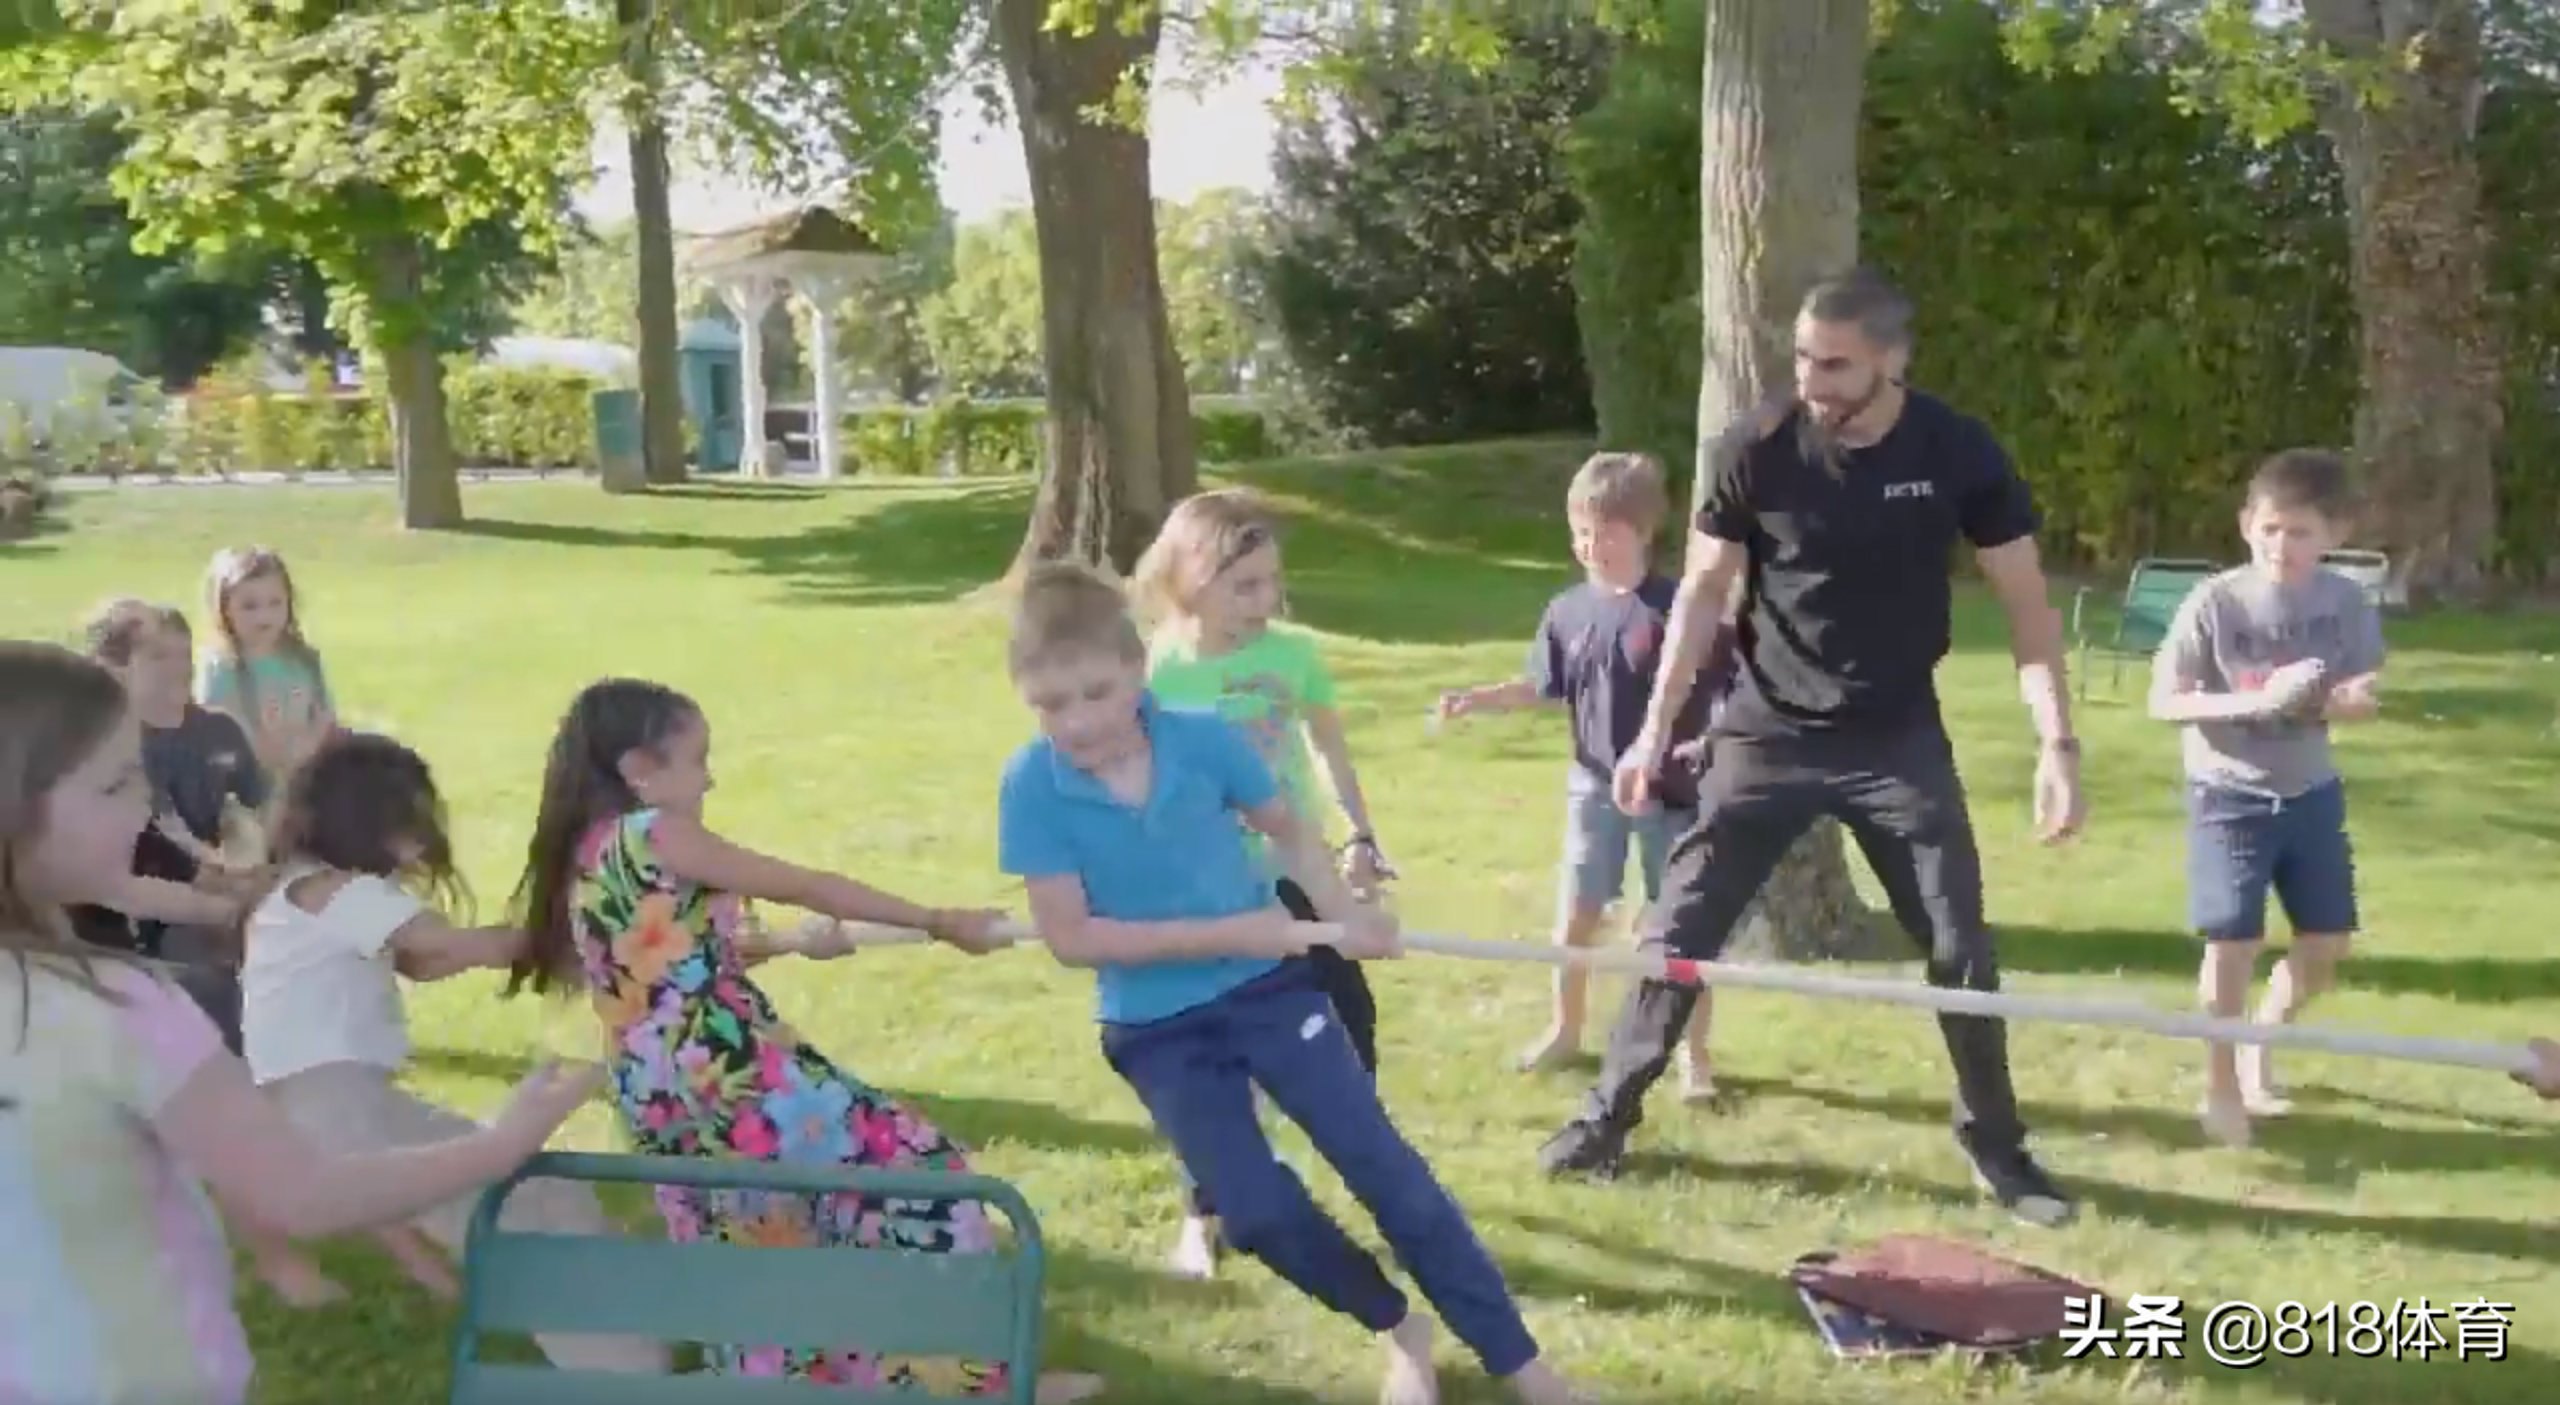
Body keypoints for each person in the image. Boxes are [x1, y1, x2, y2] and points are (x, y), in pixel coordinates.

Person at [1534, 269, 2085, 1230]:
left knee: (1960, 942)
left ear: (1893, 359)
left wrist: (2058, 743)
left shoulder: (1957, 451)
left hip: (1896, 735)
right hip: (1766, 729)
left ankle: (1997, 1144)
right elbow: (1704, 594)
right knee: (1679, 932)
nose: (1813, 379)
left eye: (1836, 364)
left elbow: (2028, 605)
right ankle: (1603, 1117)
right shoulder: (1756, 446)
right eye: (1802, 358)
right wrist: (1655, 734)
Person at [996, 561, 1589, 1405]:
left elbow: (1291, 829)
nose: (1080, 722)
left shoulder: (1203, 738)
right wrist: (1231, 929)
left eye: (1096, 692)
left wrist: (1343, 910)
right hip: (1156, 1028)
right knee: (1257, 1213)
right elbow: (1072, 937)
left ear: (1136, 669)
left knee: (1388, 1174)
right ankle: (1398, 1326)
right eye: (1052, 705)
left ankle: (1523, 1365)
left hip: (1271, 990)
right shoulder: (1031, 786)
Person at [0, 639, 603, 1405]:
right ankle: (624, 1363)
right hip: (147, 1377)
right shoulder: (122, 1007)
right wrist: (506, 1139)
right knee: (533, 1202)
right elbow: (299, 1194)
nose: (147, 806)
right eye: (118, 783)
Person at [504, 677, 1102, 1401]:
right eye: (697, 759)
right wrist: (939, 918)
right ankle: (969, 1386)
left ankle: (798, 1388)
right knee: (919, 1174)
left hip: (654, 1086)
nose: (709, 777)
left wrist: (776, 945)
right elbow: (804, 881)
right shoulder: (656, 830)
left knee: (750, 1244)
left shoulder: (587, 851)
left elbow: (656, 954)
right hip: (730, 1069)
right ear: (639, 769)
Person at [240, 730, 669, 1370]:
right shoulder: (344, 892)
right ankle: (624, 1372)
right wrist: (579, 933)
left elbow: (420, 963)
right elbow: (450, 947)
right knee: (525, 1211)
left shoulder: (300, 891)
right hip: (344, 1114)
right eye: (412, 817)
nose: (422, 836)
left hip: (322, 1117)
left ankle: (630, 1334)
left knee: (530, 1199)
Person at [1129, 488, 1392, 1278]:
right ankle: (1202, 1216)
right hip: (1211, 891)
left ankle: (1365, 1180)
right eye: (1243, 585)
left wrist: (1360, 834)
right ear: (1189, 581)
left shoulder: (1293, 656)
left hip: (1297, 869)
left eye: (1271, 581)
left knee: (1350, 1028)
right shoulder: (1161, 669)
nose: (1264, 600)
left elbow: (1329, 751)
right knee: (1218, 1053)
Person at [1436, 451, 1741, 1095]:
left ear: (1644, 531)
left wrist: (1706, 745)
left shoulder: (1681, 611)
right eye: (1579, 532)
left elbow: (1729, 697)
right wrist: (1478, 699)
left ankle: (1695, 1057)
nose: (1589, 545)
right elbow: (1541, 686)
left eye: (1604, 531)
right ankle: (1565, 1029)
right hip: (1593, 786)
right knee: (1577, 917)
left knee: (1679, 928)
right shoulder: (1567, 611)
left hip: (1673, 797)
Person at [2149, 449, 2386, 1148]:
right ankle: (2221, 1085)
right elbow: (2162, 700)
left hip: (2311, 791)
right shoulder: (2214, 602)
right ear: (2247, 523)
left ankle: (2261, 1043)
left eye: (2302, 531)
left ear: (2334, 532)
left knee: (2327, 941)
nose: (2283, 545)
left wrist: (2340, 703)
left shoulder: (2345, 601)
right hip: (2228, 794)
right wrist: (2254, 699)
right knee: (2233, 940)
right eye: (2271, 528)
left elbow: (2365, 694)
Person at [197, 545, 337, 781]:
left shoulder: (304, 660)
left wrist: (308, 749)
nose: (264, 617)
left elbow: (325, 717)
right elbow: (220, 736)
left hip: (305, 783)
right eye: (249, 606)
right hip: (245, 789)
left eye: (275, 603)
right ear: (225, 609)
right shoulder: (222, 667)